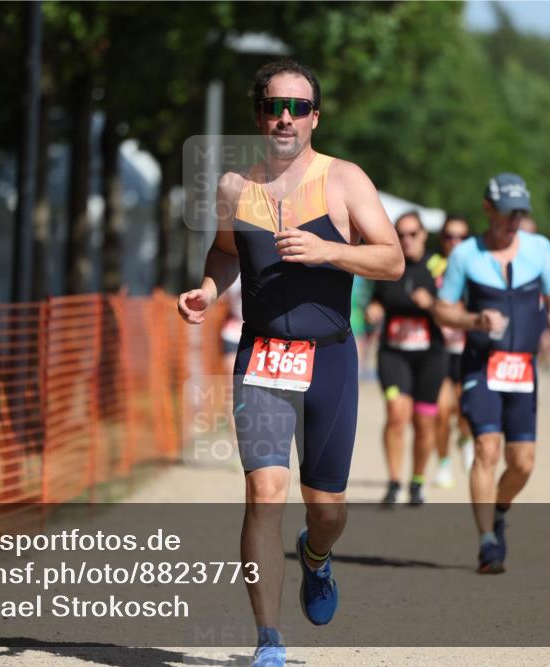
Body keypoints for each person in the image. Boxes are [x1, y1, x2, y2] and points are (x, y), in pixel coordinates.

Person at [177, 59, 403, 666]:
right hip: (262, 356)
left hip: (329, 360)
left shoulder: (344, 180)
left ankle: (316, 555)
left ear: (314, 118)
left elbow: (392, 260)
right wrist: (208, 290)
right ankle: (269, 640)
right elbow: (225, 251)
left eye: (298, 108)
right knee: (264, 493)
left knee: (326, 508)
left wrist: (329, 249)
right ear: (259, 117)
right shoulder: (234, 188)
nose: (285, 118)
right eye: (275, 107)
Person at [432, 173, 550, 574]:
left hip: (522, 369)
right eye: (508, 212)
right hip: (481, 365)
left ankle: (500, 510)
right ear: (488, 209)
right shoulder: (465, 255)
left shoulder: (539, 249)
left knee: (523, 462)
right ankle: (487, 542)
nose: (514, 220)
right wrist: (473, 320)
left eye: (520, 213)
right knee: (487, 449)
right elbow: (442, 309)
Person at [369, 211, 449, 506]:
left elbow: (455, 307)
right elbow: (377, 297)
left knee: (424, 422)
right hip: (394, 353)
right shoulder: (389, 263)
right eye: (400, 234)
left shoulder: (439, 266)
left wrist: (432, 304)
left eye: (413, 234)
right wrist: (374, 308)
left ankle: (417, 480)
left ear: (424, 235)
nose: (406, 240)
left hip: (430, 355)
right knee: (396, 414)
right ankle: (394, 483)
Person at [433, 214, 475, 487]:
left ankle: (465, 439)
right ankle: (443, 462)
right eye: (449, 236)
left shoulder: (476, 267)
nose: (454, 242)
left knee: (464, 410)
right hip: (439, 349)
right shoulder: (434, 267)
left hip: (468, 348)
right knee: (441, 410)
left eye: (461, 237)